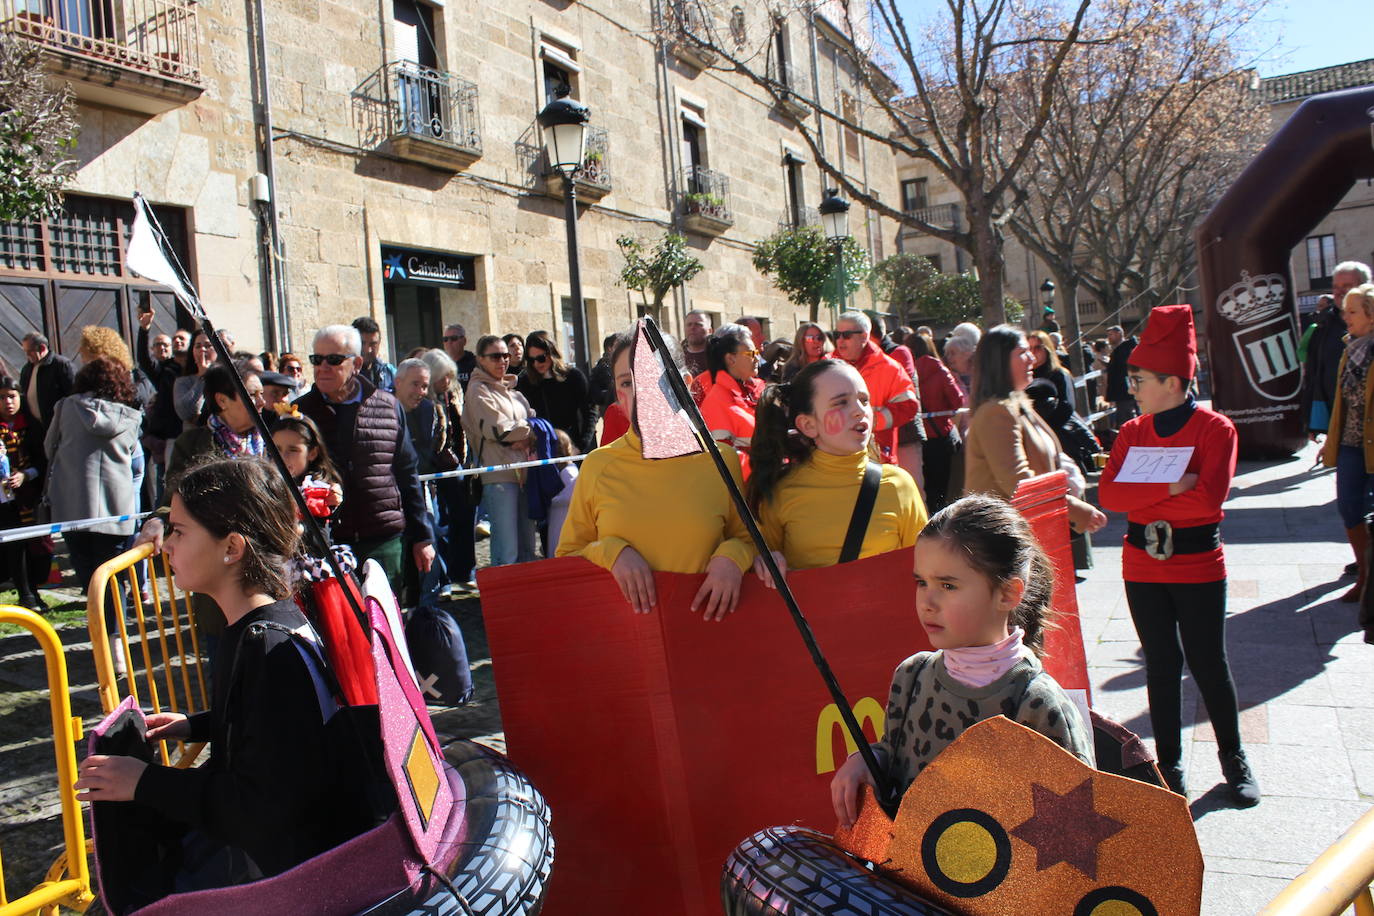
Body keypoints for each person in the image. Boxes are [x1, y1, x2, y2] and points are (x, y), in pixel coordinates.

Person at [74, 458, 377, 896]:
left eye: (178, 531)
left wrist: (143, 782)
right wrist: (197, 724)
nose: (166, 546)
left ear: (231, 548)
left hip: (290, 879)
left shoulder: (269, 651)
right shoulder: (271, 621)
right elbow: (276, 734)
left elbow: (258, 808)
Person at [829, 495, 1093, 827]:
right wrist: (868, 761)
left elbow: (1076, 835)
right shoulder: (912, 675)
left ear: (1008, 593)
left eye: (948, 585)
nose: (927, 602)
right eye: (921, 582)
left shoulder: (1038, 704)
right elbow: (896, 757)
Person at [1098, 304, 1258, 805]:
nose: (1133, 387)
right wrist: (1172, 483)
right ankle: (1169, 764)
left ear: (1170, 381)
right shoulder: (1131, 432)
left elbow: (1208, 498)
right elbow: (1111, 496)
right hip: (1142, 563)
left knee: (1209, 662)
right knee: (1161, 665)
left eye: (1139, 377)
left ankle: (1233, 757)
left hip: (1198, 563)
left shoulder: (1216, 430)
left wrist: (1146, 489)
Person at [556, 329, 755, 619]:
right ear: (618, 393)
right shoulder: (599, 466)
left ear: (684, 384)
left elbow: (749, 540)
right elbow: (567, 555)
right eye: (627, 382)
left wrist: (732, 558)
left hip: (709, 630)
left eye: (654, 378)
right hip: (628, 637)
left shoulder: (720, 461)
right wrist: (611, 552)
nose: (641, 394)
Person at [747, 360, 926, 582]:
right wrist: (763, 561)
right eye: (841, 402)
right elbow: (758, 561)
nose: (859, 411)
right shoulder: (781, 491)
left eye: (864, 400)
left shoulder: (900, 484)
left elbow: (923, 569)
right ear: (808, 425)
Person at [295, 325, 434, 591]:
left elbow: (407, 474)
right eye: (317, 359)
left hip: (383, 537)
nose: (323, 367)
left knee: (386, 623)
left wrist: (422, 536)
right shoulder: (300, 412)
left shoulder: (387, 405)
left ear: (357, 363)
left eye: (334, 360)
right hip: (326, 541)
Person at [963, 325, 1107, 534]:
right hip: (1003, 538)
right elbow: (1016, 480)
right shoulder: (997, 412)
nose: (1031, 358)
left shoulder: (1016, 405)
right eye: (1022, 352)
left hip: (1028, 530)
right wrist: (1073, 507)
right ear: (1000, 362)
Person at [43, 357, 143, 592]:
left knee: (88, 575)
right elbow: (132, 454)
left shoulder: (66, 407)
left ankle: (99, 626)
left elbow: (49, 447)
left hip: (71, 504)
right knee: (113, 575)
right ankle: (114, 627)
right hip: (116, 507)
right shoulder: (131, 417)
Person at [462, 334, 537, 567]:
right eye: (495, 356)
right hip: (499, 476)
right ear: (480, 359)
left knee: (527, 547)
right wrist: (529, 431)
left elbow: (534, 422)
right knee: (507, 550)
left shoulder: (513, 392)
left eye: (505, 355)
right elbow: (497, 429)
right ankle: (505, 601)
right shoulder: (477, 390)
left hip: (524, 473)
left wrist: (529, 433)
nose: (502, 360)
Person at [1322, 283, 1374, 606]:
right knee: (1349, 508)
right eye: (1345, 310)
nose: (1345, 316)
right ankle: (1366, 576)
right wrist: (1331, 438)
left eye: (1353, 311)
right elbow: (1343, 401)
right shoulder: (1349, 348)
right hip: (1350, 444)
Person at [421, 348, 476, 591]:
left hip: (457, 465)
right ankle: (442, 576)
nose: (446, 381)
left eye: (448, 376)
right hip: (433, 469)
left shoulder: (453, 393)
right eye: (442, 376)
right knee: (434, 523)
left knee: (463, 516)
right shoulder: (423, 400)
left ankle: (463, 571)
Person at [832, 311, 919, 466]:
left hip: (878, 459)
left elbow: (908, 406)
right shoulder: (827, 366)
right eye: (836, 334)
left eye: (846, 335)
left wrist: (871, 421)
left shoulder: (890, 368)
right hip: (836, 457)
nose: (840, 340)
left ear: (864, 336)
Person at [1309, 262, 1371, 443]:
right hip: (1343, 429)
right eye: (1335, 286)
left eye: (1346, 286)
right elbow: (1316, 373)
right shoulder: (1324, 323)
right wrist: (1313, 421)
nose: (1339, 291)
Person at [0, 375, 47, 612]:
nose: (7, 402)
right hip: (4, 501)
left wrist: (25, 475)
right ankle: (25, 594)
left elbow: (43, 460)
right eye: (2, 397)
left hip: (29, 496)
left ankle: (35, 592)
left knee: (35, 546)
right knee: (14, 547)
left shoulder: (31, 427)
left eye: (12, 396)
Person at [908, 333, 965, 513]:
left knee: (923, 489)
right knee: (941, 489)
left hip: (917, 438)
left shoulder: (905, 372)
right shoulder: (940, 369)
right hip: (940, 437)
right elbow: (957, 401)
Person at [699, 324, 765, 476]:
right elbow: (724, 461)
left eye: (756, 352)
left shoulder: (757, 389)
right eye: (750, 353)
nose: (757, 358)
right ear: (731, 359)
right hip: (750, 488)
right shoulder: (716, 402)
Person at [516, 330, 596, 455]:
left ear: (552, 353)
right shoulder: (525, 381)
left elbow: (589, 413)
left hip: (571, 448)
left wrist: (581, 445)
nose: (536, 363)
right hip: (540, 450)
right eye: (531, 360)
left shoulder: (573, 377)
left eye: (541, 358)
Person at [270, 413, 343, 521]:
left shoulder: (320, 491)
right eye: (277, 449)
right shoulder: (262, 483)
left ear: (312, 453)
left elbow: (320, 533)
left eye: (293, 450)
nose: (283, 457)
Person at [19, 332, 75, 435]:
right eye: (25, 351)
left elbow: (73, 396)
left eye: (30, 351)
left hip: (59, 426)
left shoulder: (61, 365)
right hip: (36, 429)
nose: (27, 355)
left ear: (42, 348)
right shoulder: (27, 369)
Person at [545, 428, 579, 557]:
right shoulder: (569, 471)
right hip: (566, 517)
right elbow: (574, 494)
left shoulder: (559, 471)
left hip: (558, 516)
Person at [173, 331, 218, 426]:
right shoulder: (183, 381)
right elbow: (185, 413)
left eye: (208, 345)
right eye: (198, 346)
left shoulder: (228, 378)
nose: (202, 349)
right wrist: (202, 377)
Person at [1028, 329, 1076, 408]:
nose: (1032, 352)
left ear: (1047, 349)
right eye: (1029, 348)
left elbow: (1067, 406)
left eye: (1038, 347)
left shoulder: (1060, 374)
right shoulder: (1025, 376)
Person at [1104, 324, 1139, 428]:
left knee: (1127, 417)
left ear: (1119, 334)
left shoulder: (1125, 350)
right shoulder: (1120, 350)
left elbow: (1124, 369)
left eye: (1111, 334)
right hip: (1122, 391)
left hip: (1125, 390)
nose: (1109, 338)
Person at [352, 316, 396, 393]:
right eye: (362, 343)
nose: (368, 350)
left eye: (373, 344)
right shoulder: (343, 373)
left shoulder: (388, 372)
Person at [941, 322, 980, 398]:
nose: (948, 357)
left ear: (967, 353)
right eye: (947, 354)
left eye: (953, 353)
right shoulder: (947, 378)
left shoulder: (983, 375)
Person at [442, 324, 479, 391]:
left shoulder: (476, 363)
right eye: (445, 339)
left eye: (454, 338)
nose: (449, 342)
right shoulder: (441, 365)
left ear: (464, 341)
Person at [588, 333, 618, 411]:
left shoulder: (628, 364)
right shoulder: (600, 370)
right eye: (618, 345)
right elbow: (597, 396)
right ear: (609, 348)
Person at [682, 310, 712, 378]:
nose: (692, 328)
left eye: (698, 324)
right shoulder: (676, 356)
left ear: (710, 331)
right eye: (689, 324)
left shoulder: (719, 356)